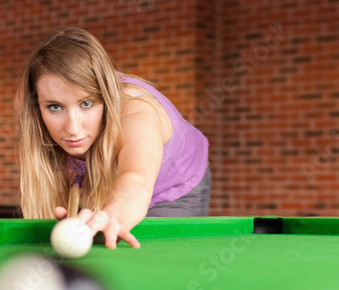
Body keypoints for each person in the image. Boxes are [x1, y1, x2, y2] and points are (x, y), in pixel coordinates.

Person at [16, 28, 210, 249]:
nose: (72, 127)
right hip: (109, 177)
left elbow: (136, 179)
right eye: (55, 107)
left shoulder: (137, 113)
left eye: (86, 103)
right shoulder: (37, 112)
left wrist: (111, 216)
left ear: (105, 97)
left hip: (173, 183)